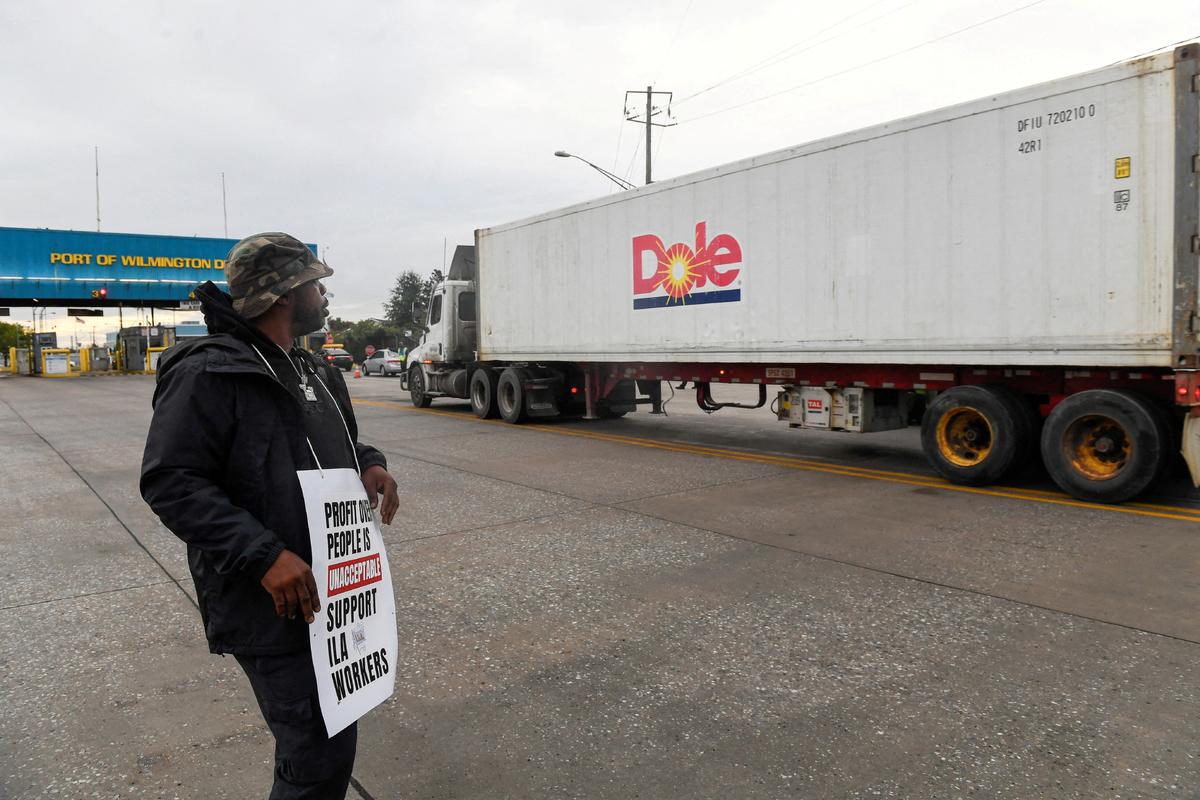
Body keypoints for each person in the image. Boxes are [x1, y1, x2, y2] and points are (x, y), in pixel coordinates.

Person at [140, 232, 399, 800]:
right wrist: (264, 555)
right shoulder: (210, 373)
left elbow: (342, 445)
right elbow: (170, 481)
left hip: (331, 592)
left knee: (332, 739)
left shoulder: (311, 369)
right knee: (313, 755)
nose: (324, 294)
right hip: (271, 602)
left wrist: (370, 465)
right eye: (314, 282)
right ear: (283, 294)